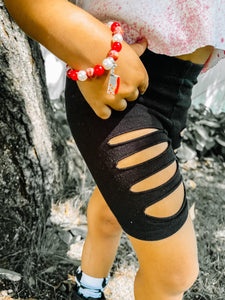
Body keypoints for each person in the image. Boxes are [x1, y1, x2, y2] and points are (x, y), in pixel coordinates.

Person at [4, 1, 225, 299]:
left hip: (176, 89)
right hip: (113, 75)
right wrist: (93, 49)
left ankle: (88, 290)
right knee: (174, 273)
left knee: (111, 211)